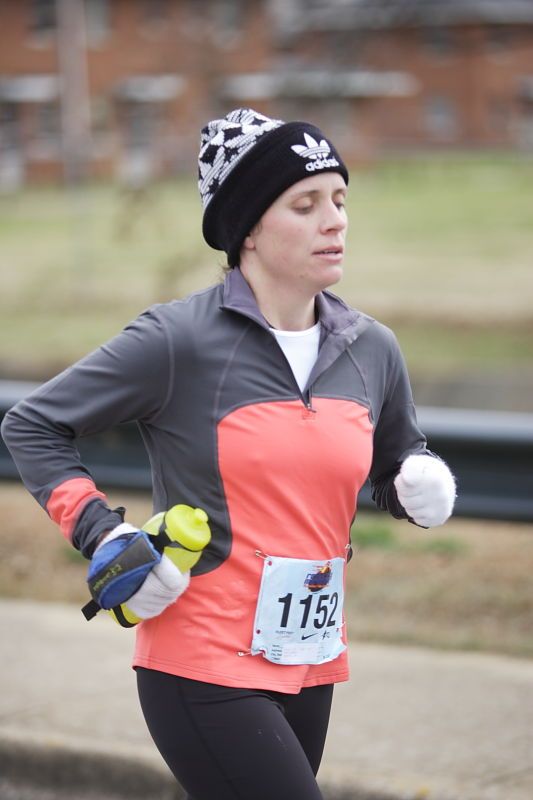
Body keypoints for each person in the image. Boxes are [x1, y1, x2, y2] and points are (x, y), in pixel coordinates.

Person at [1, 108, 456, 800]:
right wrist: (102, 533)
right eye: (304, 205)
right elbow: (32, 425)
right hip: (201, 659)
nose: (333, 221)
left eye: (338, 200)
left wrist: (414, 484)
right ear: (246, 227)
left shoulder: (371, 348)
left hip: (310, 656)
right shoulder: (177, 340)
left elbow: (393, 465)